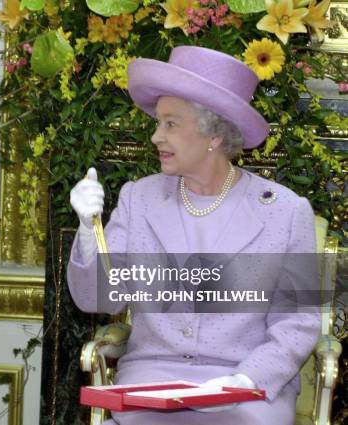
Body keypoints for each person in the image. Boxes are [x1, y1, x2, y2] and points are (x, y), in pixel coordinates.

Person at [68, 46, 320, 425]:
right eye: (158, 122)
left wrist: (245, 379)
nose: (156, 136)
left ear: (213, 135)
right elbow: (96, 298)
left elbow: (297, 323)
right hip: (153, 382)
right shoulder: (139, 198)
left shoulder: (283, 211)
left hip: (247, 384)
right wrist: (89, 230)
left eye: (171, 124)